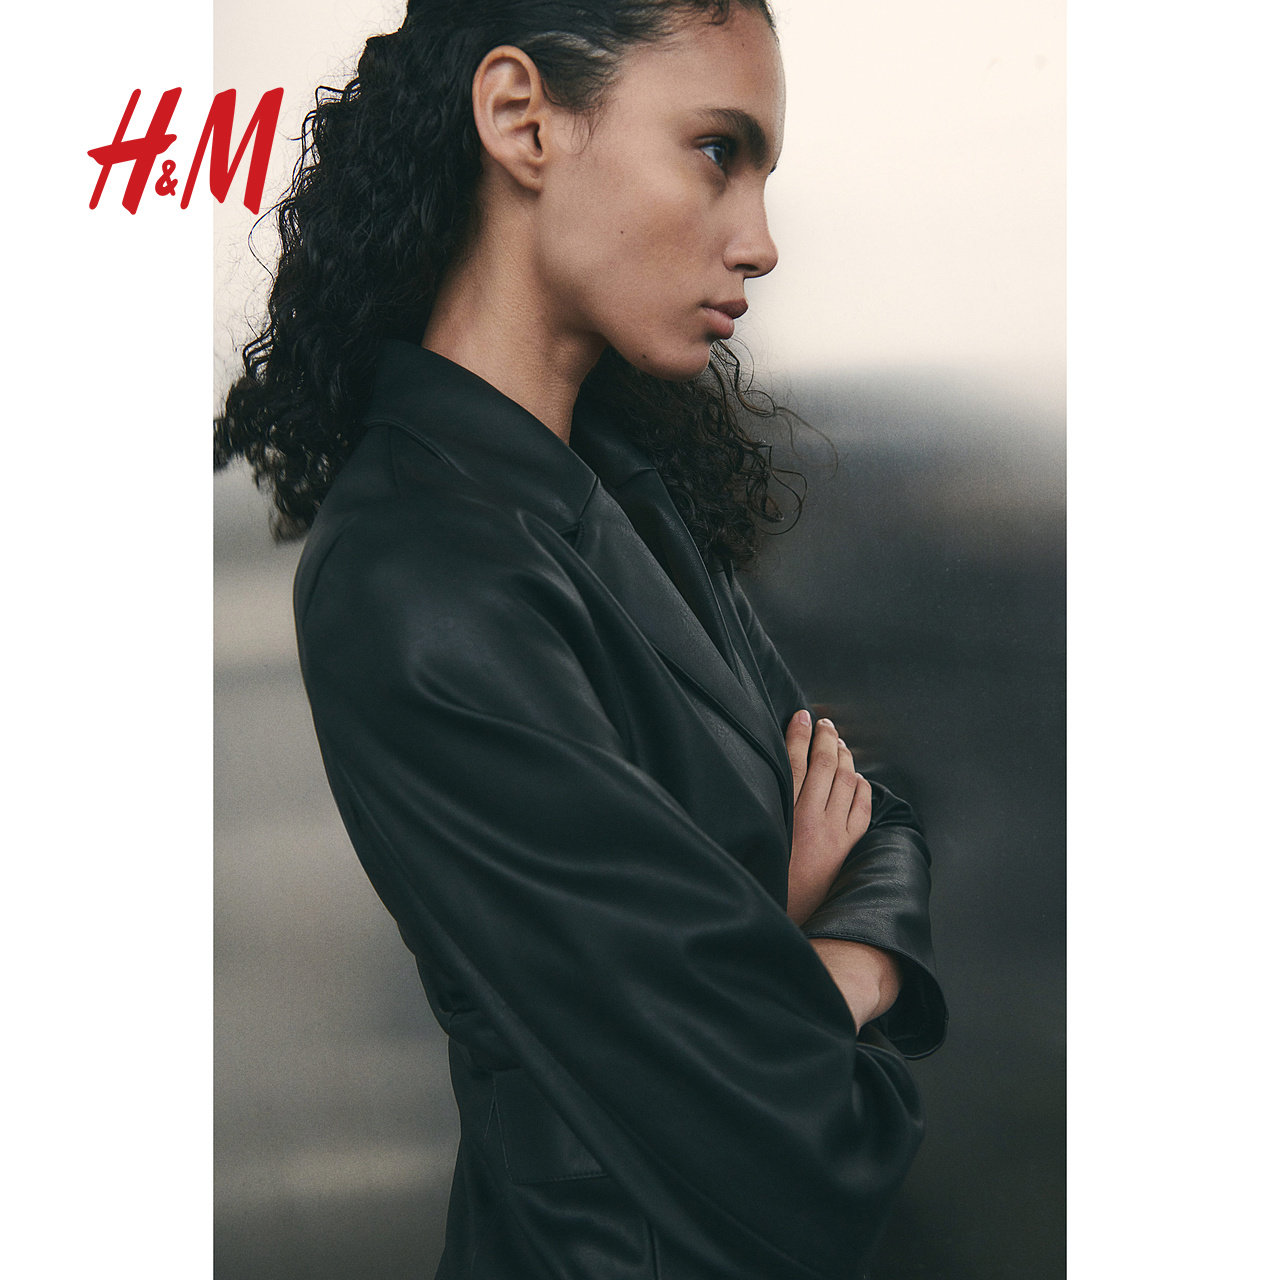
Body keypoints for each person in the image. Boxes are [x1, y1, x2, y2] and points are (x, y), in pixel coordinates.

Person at [215, 2, 946, 1276]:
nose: (760, 241)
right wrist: (830, 966)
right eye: (717, 150)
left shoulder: (616, 489)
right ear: (521, 120)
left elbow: (872, 813)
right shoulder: (417, 577)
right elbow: (795, 1132)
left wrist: (778, 970)